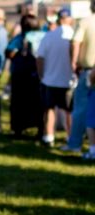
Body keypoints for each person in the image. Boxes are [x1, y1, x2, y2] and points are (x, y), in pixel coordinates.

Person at [60, 0, 95, 153]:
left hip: (89, 70)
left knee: (81, 108)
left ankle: (75, 143)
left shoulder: (86, 22)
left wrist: (73, 63)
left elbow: (75, 43)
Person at [36, 8, 74, 147]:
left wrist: (41, 75)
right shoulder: (73, 35)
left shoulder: (49, 36)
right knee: (69, 111)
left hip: (50, 79)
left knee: (50, 110)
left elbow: (40, 57)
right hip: (68, 79)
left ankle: (49, 136)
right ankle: (71, 136)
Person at [6, 14, 44, 139]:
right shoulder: (44, 35)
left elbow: (10, 52)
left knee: (19, 102)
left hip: (21, 75)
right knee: (38, 103)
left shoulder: (21, 37)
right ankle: (40, 129)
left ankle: (18, 129)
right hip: (38, 74)